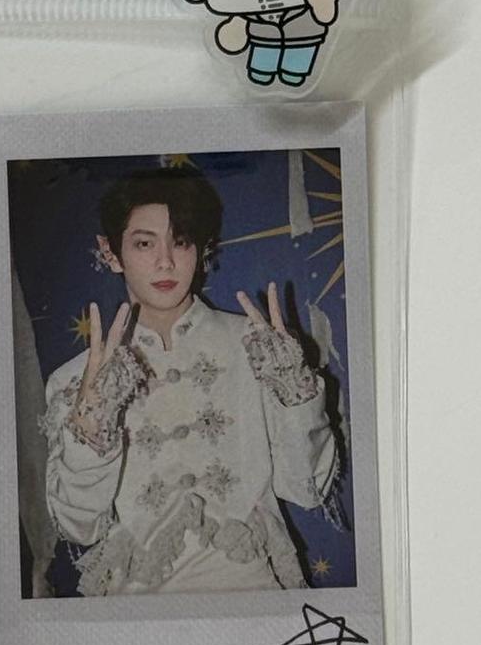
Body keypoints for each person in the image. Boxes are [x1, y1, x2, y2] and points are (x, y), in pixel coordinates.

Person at [40, 167, 340, 596]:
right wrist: (90, 425)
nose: (165, 261)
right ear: (110, 252)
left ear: (202, 249)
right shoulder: (76, 378)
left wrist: (296, 395)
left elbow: (307, 489)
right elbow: (78, 527)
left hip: (250, 590)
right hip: (137, 604)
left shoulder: (259, 347)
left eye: (180, 241)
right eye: (144, 243)